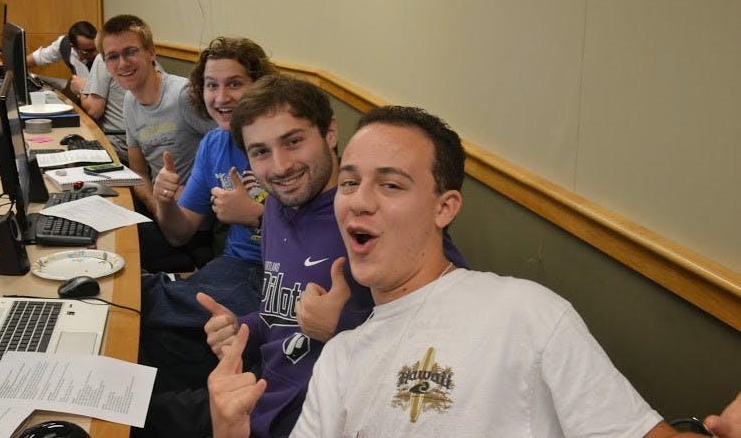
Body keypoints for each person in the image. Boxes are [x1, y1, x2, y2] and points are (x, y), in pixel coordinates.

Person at [209, 104, 735, 438]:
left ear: (445, 208)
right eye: (349, 183)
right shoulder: (340, 358)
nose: (358, 204)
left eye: (390, 185)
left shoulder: (524, 313)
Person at [200, 80, 467, 438]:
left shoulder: (377, 225)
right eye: (260, 152)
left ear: (330, 133)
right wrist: (241, 328)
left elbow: (449, 353)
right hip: (261, 394)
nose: (280, 167)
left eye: (293, 141)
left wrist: (341, 327)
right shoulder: (277, 205)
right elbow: (280, 316)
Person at [137, 38, 279, 435]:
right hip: (231, 267)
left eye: (235, 84)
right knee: (143, 301)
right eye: (212, 85)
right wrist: (164, 200)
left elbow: (315, 239)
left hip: (272, 280)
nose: (221, 97)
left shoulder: (281, 146)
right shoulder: (214, 145)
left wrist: (255, 217)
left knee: (156, 306)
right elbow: (180, 234)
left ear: (260, 86)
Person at [97, 14, 215, 269]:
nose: (123, 63)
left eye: (131, 52)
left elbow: (228, 148)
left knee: (115, 252)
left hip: (191, 220)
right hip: (161, 208)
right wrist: (156, 204)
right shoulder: (130, 100)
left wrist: (199, 186)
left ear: (151, 53)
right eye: (113, 57)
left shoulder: (183, 96)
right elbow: (138, 170)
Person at [26, 20, 97, 96]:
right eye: (88, 51)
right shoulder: (64, 44)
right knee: (35, 78)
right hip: (76, 88)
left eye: (97, 47)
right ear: (73, 46)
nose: (96, 53)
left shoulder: (104, 58)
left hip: (93, 95)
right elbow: (36, 58)